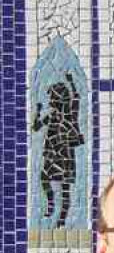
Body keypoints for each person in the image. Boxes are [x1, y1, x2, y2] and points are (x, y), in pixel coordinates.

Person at [32, 72, 84, 227]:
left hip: (65, 154)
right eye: (51, 98)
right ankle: (50, 204)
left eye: (53, 98)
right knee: (44, 178)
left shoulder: (70, 113)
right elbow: (36, 127)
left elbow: (76, 97)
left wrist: (71, 81)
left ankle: (62, 217)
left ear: (60, 98)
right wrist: (38, 112)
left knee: (65, 188)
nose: (51, 101)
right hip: (51, 153)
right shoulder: (52, 115)